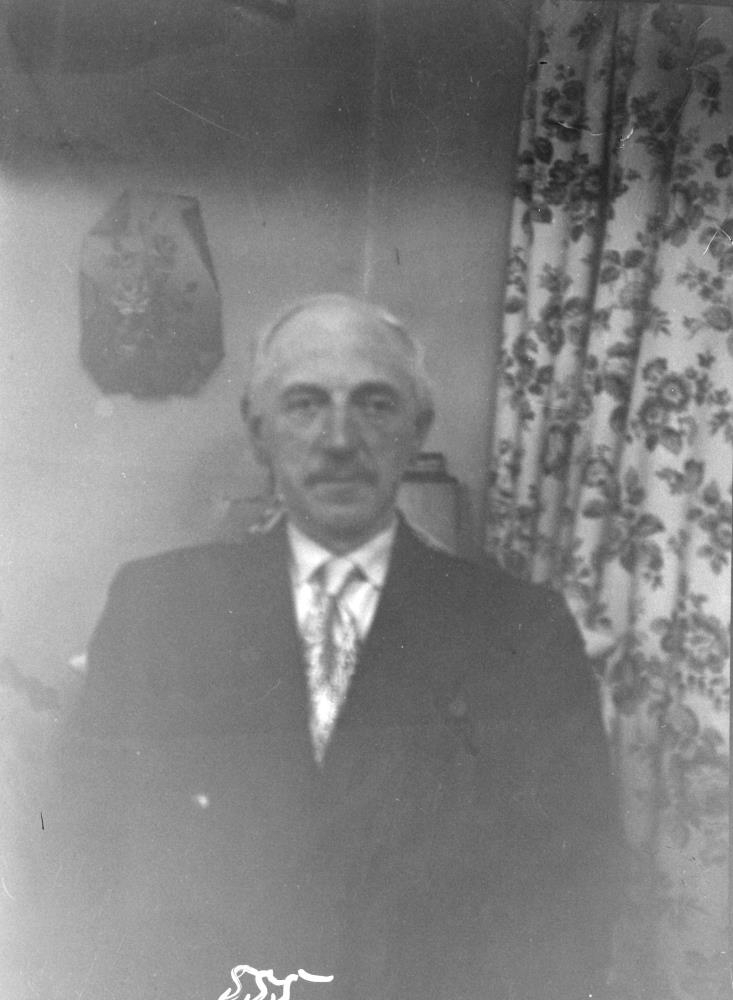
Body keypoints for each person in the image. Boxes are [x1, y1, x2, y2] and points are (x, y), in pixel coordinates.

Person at [30, 294, 620, 1000]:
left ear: (417, 430)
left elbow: (576, 893)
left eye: (375, 404)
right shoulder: (157, 608)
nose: (339, 438)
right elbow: (80, 858)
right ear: (258, 433)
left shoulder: (520, 628)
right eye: (304, 404)